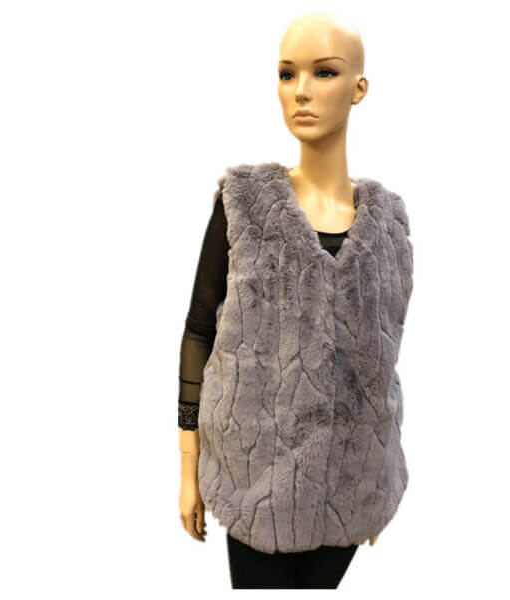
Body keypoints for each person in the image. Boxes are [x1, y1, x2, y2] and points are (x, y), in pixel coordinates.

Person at [178, 12, 414, 589]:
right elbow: (199, 332)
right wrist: (188, 470)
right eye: (287, 74)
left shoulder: (388, 224)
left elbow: (385, 357)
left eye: (323, 72)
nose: (301, 91)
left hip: (352, 493)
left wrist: (376, 477)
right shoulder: (244, 204)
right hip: (253, 486)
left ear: (359, 87)